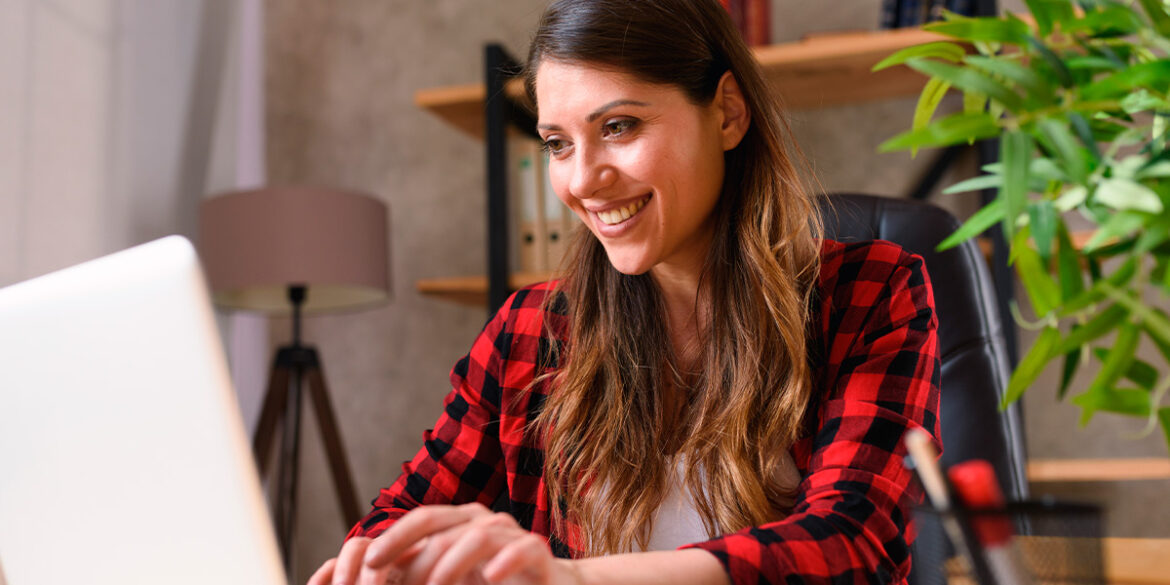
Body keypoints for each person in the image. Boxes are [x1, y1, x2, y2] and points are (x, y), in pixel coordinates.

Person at [309, 0, 941, 583]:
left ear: (727, 112)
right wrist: (384, 566)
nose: (583, 180)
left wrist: (572, 579)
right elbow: (395, 522)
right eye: (557, 143)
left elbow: (855, 546)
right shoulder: (530, 331)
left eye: (618, 126)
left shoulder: (870, 291)